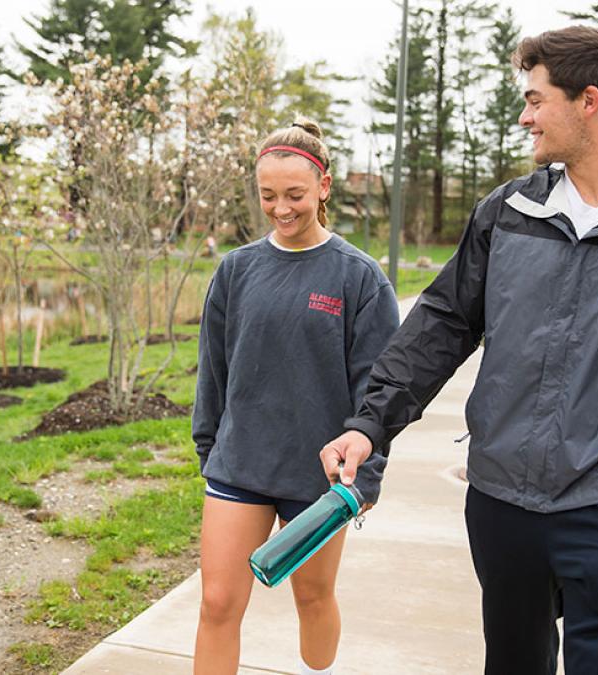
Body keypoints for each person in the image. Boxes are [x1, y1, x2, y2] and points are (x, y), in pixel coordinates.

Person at [320, 26, 598, 674]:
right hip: (502, 508)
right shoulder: (509, 211)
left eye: (536, 100)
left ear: (589, 101)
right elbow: (443, 321)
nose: (525, 115)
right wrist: (370, 424)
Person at [192, 118, 399, 675]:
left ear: (324, 187)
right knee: (216, 604)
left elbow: (378, 390)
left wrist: (366, 478)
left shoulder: (358, 277)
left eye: (294, 195)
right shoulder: (236, 270)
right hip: (239, 465)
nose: (281, 208)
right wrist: (209, 449)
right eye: (267, 196)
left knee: (311, 598)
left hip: (320, 477)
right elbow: (212, 369)